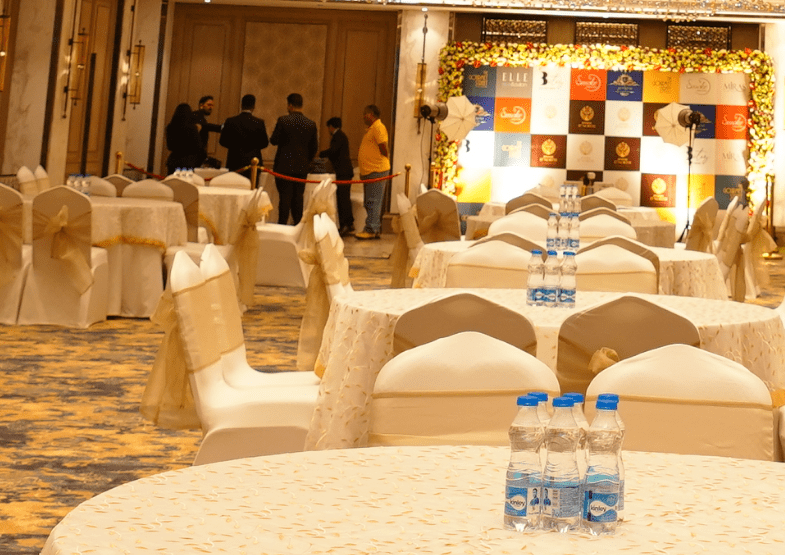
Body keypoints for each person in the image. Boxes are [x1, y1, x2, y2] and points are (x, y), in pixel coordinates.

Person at [270, 93, 318, 225]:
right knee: (298, 198)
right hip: (301, 167)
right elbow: (314, 148)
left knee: (284, 199)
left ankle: (282, 226)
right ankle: (298, 226)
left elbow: (274, 140)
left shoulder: (283, 120)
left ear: (290, 106)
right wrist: (306, 161)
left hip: (283, 166)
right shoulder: (311, 124)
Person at [355, 104, 391, 240]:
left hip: (377, 170)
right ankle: (373, 228)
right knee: (369, 201)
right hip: (371, 171)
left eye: (365, 114)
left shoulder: (378, 127)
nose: (363, 117)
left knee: (373, 201)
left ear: (371, 115)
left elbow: (384, 147)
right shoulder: (372, 128)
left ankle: (371, 229)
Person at [219, 94, 269, 183]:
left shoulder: (230, 121)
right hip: (253, 163)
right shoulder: (259, 122)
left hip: (234, 161)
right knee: (252, 188)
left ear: (241, 105)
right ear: (253, 106)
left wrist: (234, 146)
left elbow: (222, 141)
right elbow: (264, 143)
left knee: (234, 186)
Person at [319, 117, 355, 236]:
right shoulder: (341, 135)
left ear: (331, 127)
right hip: (345, 171)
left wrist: (321, 154)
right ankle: (349, 223)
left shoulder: (337, 136)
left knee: (342, 199)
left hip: (343, 172)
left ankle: (345, 224)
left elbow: (333, 151)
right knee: (345, 198)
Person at [165, 103, 205, 176]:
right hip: (188, 162)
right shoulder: (192, 128)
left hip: (174, 160)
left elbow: (169, 146)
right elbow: (198, 146)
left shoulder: (170, 127)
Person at [192, 95, 223, 168]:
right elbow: (206, 126)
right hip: (195, 156)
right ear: (201, 105)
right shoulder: (196, 116)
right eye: (209, 105)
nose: (211, 108)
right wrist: (221, 128)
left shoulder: (199, 116)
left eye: (212, 105)